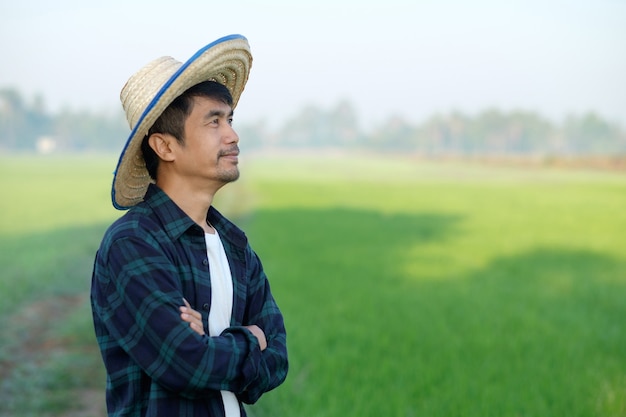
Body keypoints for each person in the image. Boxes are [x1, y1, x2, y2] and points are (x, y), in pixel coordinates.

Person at [90, 34, 288, 417]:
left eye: (229, 119)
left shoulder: (235, 247)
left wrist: (214, 343)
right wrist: (250, 338)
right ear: (165, 147)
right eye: (213, 121)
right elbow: (186, 364)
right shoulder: (132, 244)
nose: (233, 134)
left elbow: (278, 358)